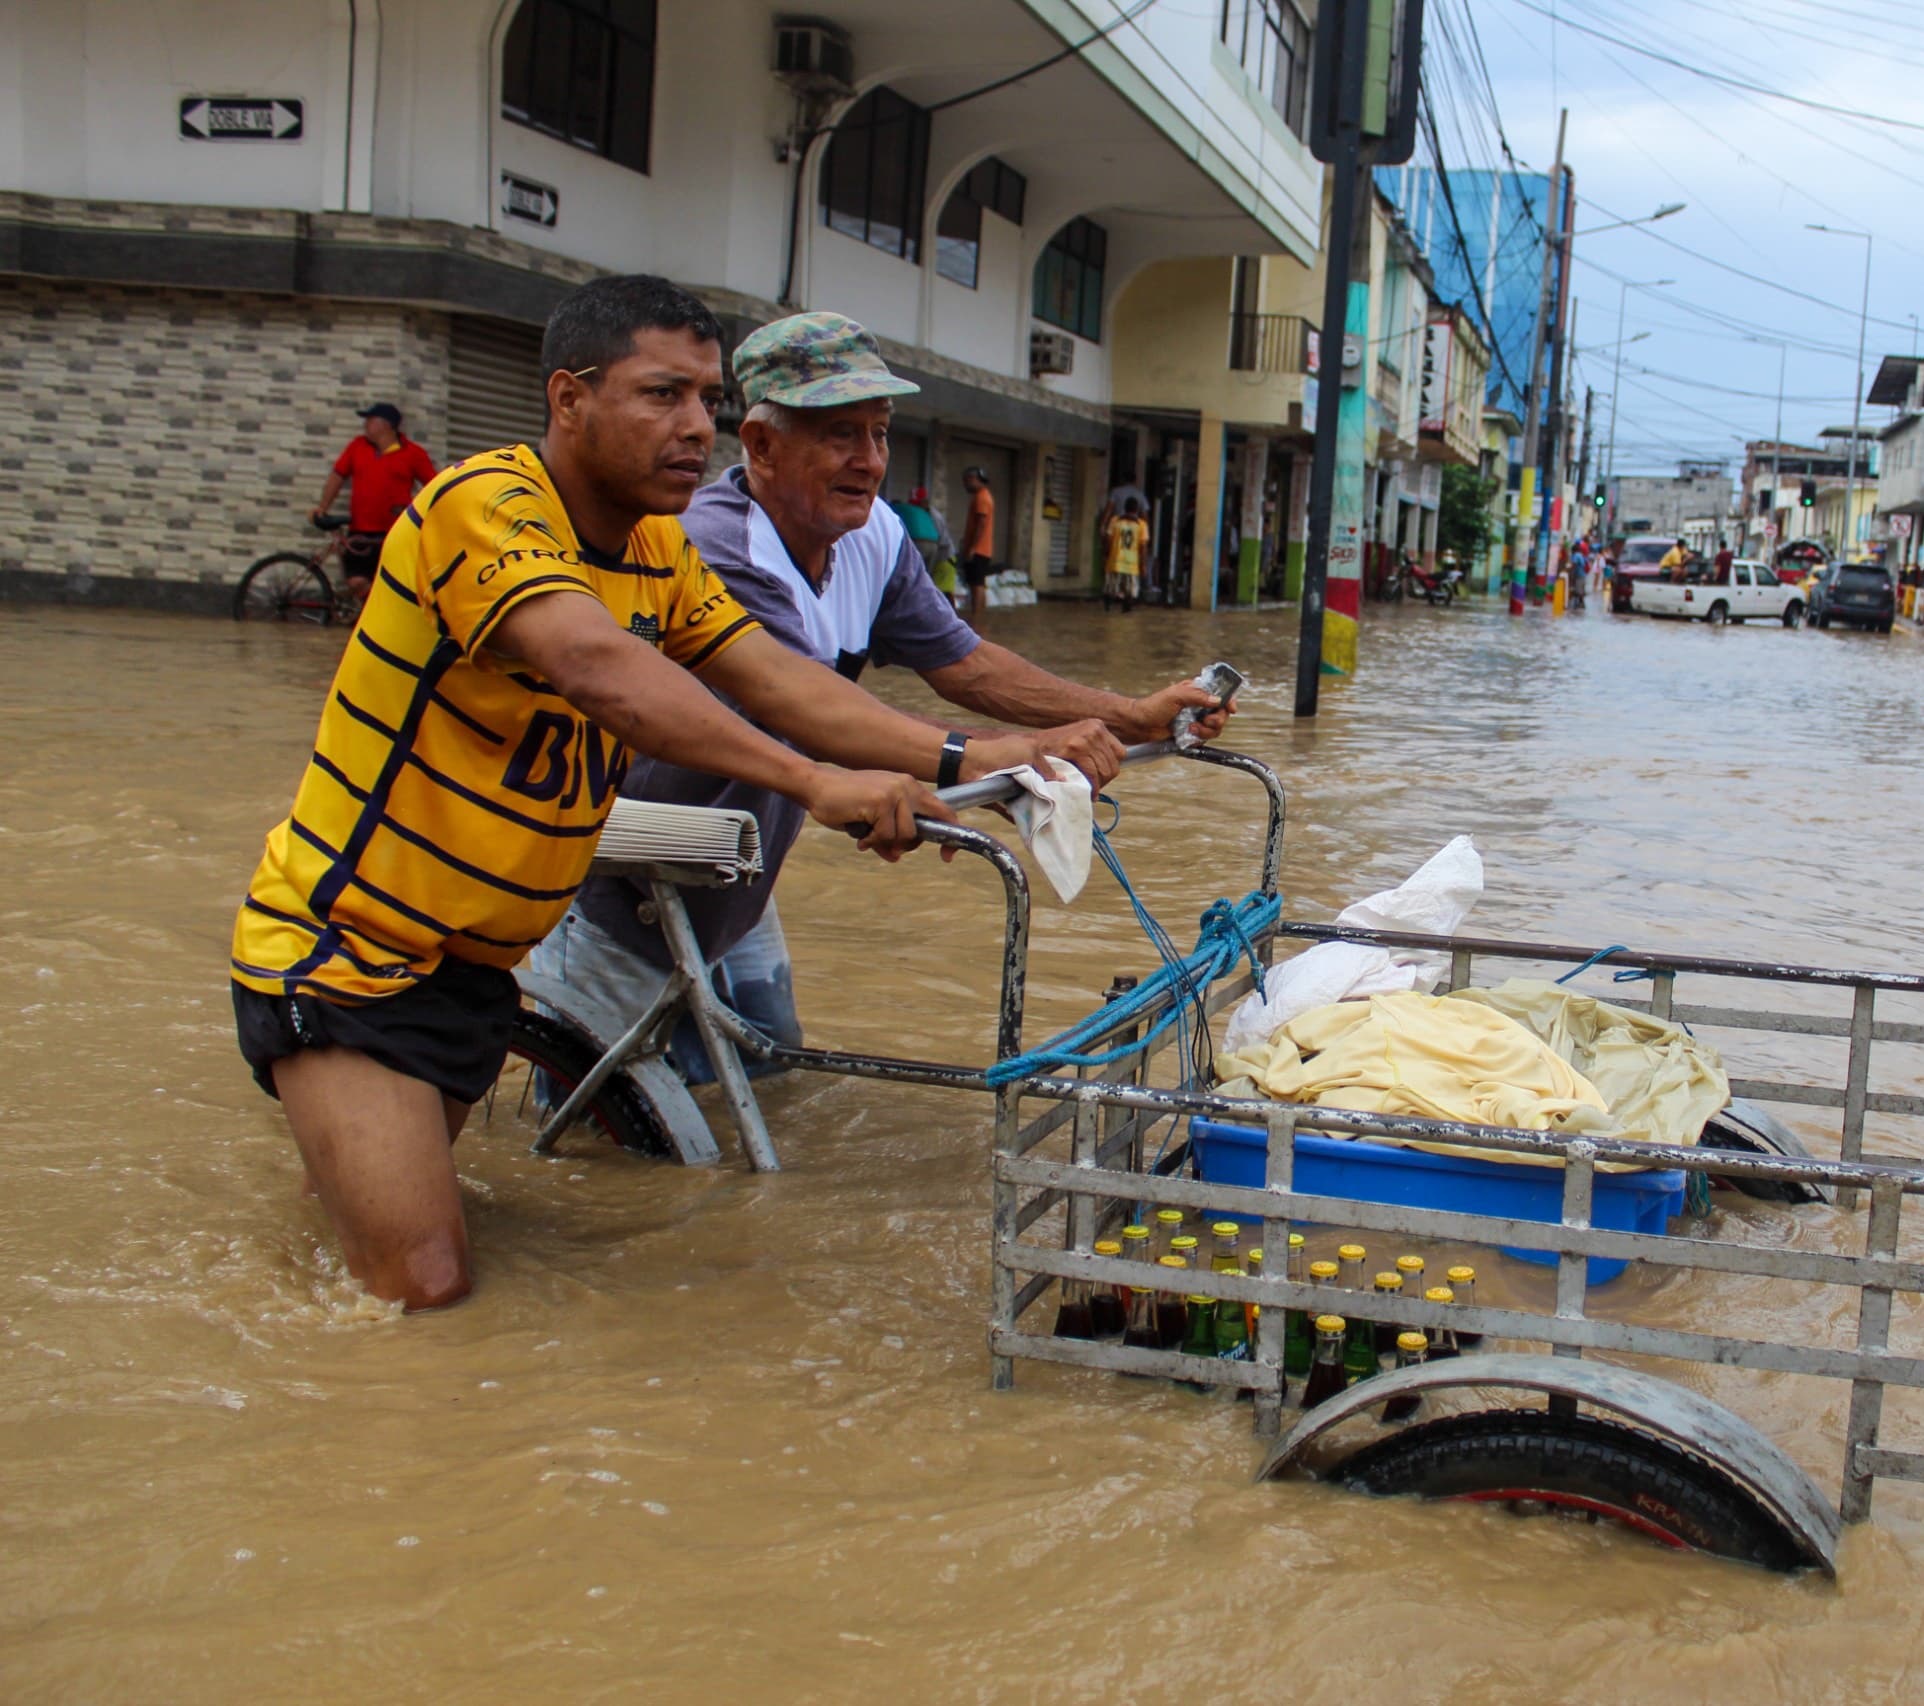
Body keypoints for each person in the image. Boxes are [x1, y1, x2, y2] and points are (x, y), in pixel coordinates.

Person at [229, 275, 1017, 1315]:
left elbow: (781, 680)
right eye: (660, 395)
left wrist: (981, 761)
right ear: (569, 399)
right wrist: (815, 780)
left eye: (705, 400)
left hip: (474, 966)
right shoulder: (486, 506)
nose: (696, 427)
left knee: (345, 1261)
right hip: (352, 954)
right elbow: (599, 667)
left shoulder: (657, 547)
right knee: (423, 1295)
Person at [528, 311, 1231, 1088]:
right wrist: (994, 755)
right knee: (605, 1118)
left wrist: (1129, 715)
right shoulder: (712, 545)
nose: (868, 462)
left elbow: (964, 663)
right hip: (620, 880)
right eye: (839, 436)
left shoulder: (872, 535)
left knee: (766, 1081)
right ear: (759, 445)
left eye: (881, 434)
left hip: (738, 878)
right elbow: (807, 707)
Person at [311, 403, 435, 601]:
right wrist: (323, 507)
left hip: (395, 532)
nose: (365, 424)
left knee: (393, 579)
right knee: (357, 581)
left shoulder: (414, 454)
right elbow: (337, 476)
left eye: (370, 420)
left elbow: (433, 486)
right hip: (361, 530)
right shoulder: (357, 446)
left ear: (386, 425)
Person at [959, 465, 999, 626]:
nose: (965, 484)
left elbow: (981, 524)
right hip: (982, 549)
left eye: (968, 480)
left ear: (975, 479)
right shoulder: (984, 496)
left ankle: (976, 618)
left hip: (979, 549)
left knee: (976, 584)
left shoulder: (982, 498)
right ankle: (978, 617)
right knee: (978, 582)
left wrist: (972, 547)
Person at [1103, 496, 1150, 612]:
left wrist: (1106, 555)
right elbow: (1143, 547)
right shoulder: (1142, 525)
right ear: (1137, 510)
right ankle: (1126, 610)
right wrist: (1143, 564)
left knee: (1110, 588)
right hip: (1131, 565)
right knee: (1130, 592)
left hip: (1115, 561)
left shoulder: (1115, 520)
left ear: (1124, 508)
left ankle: (1108, 607)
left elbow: (1108, 540)